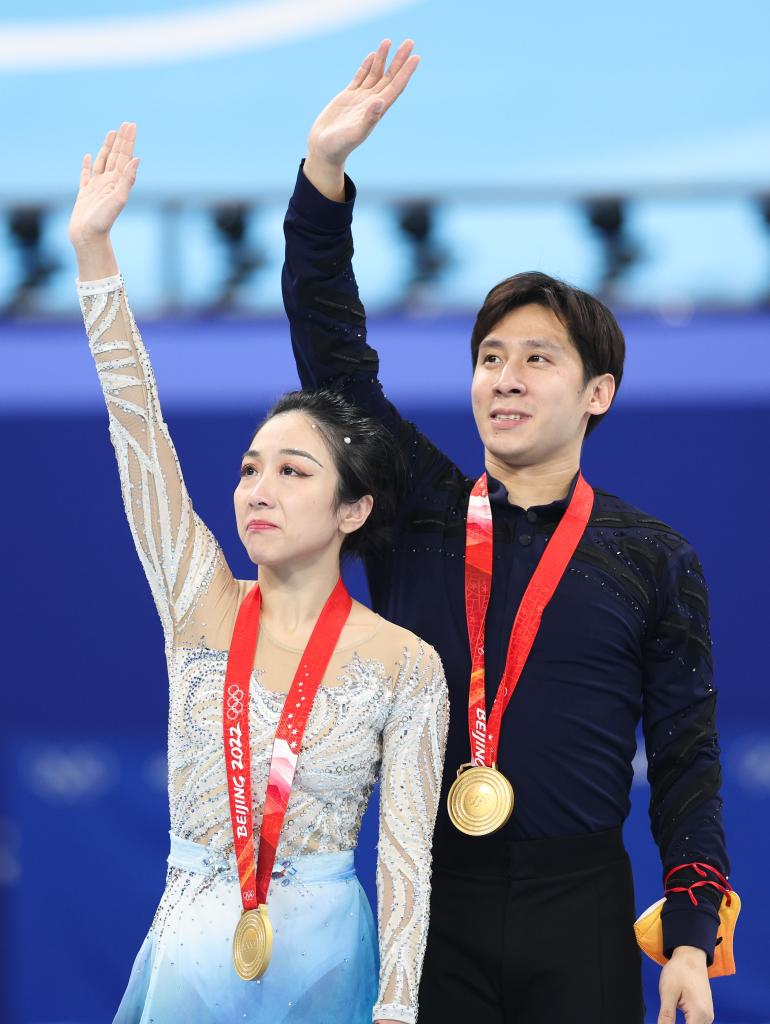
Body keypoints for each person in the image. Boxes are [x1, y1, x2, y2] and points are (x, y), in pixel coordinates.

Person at [281, 39, 735, 1024]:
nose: (506, 378)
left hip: (582, 907)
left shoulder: (651, 558)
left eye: (537, 358)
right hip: (429, 896)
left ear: (597, 393)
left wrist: (692, 936)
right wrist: (323, 175)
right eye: (490, 357)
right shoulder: (416, 511)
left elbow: (686, 760)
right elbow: (333, 355)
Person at [68, 121, 449, 1024]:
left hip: (327, 968)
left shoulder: (407, 665)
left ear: (353, 510)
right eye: (249, 469)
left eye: (292, 471)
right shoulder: (198, 602)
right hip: (191, 961)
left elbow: (406, 861)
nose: (258, 491)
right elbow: (138, 432)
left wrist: (398, 1010)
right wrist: (93, 254)